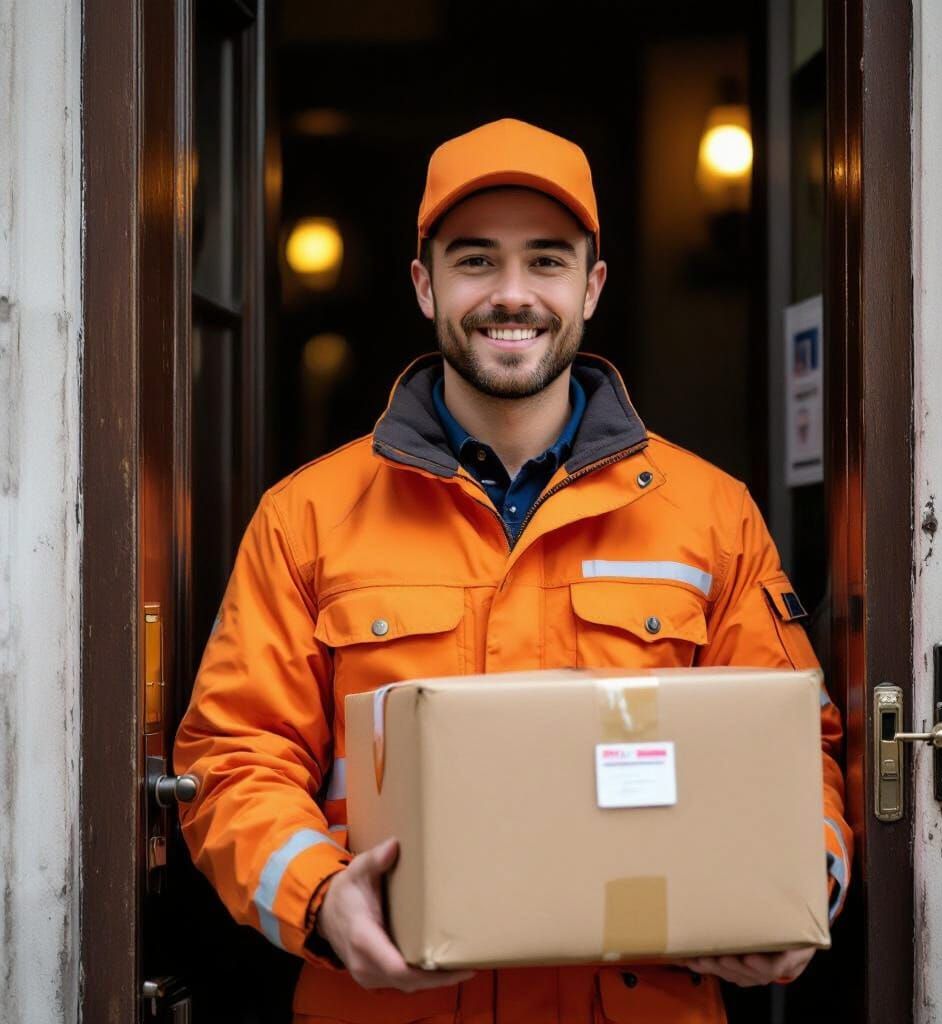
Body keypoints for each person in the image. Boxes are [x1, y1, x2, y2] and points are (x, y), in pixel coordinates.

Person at [175, 118, 852, 1024]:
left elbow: (799, 751)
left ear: (592, 286)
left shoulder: (711, 515)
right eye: (475, 261)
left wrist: (803, 883)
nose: (511, 294)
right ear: (424, 284)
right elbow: (232, 761)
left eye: (546, 261)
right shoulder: (306, 519)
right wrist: (321, 898)